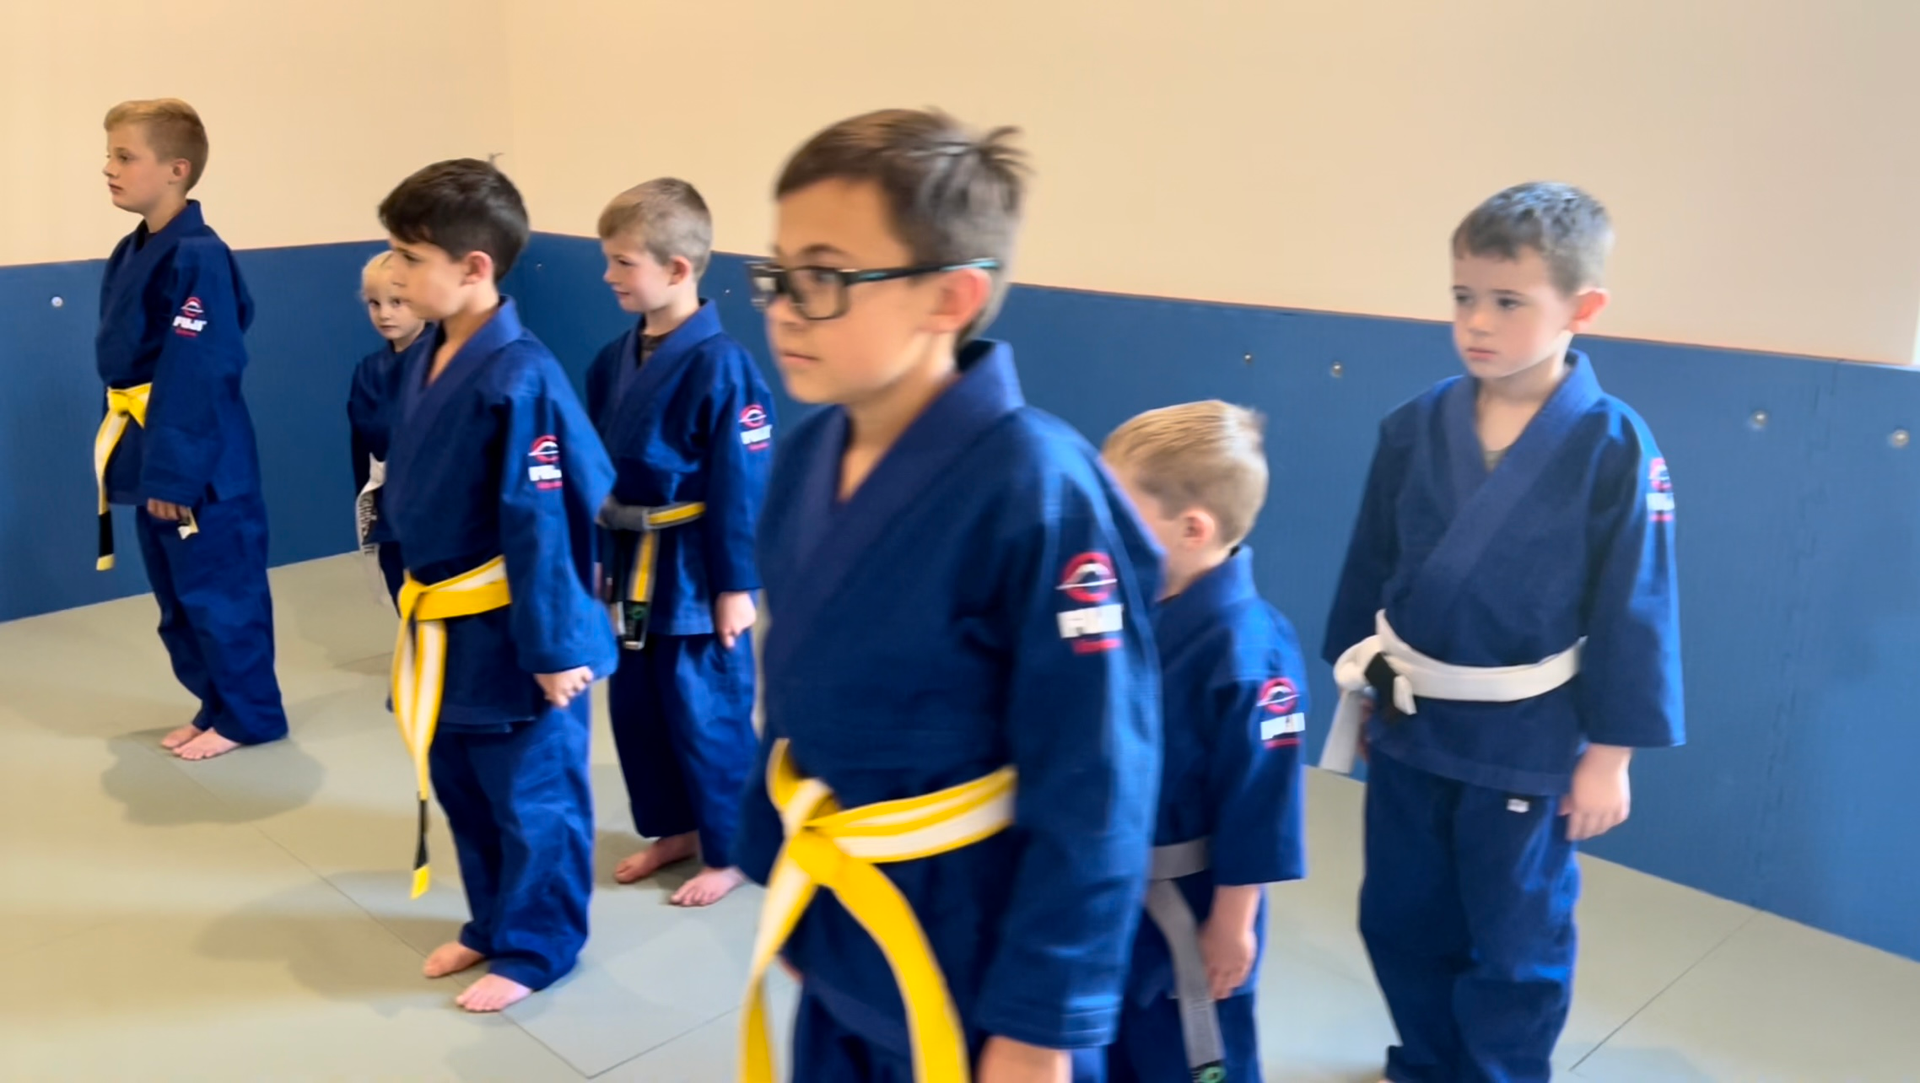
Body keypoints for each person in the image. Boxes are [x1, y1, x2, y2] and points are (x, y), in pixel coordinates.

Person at [731, 108, 1164, 1083]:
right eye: (777, 273)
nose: (786, 308)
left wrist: (1044, 1026)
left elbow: (1099, 774)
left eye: (826, 276)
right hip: (844, 914)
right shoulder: (806, 458)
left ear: (952, 297)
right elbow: (792, 688)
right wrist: (772, 850)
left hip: (979, 952)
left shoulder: (1042, 489)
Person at [1321, 182, 1684, 1083]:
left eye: (1508, 301)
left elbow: (1637, 604)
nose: (1476, 321)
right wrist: (1359, 688)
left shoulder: (1614, 445)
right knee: (1399, 915)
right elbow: (1372, 565)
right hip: (1413, 723)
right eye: (1462, 296)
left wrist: (1612, 755)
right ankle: (1429, 1060)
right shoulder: (1415, 424)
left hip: (1526, 740)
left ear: (1583, 307)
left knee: (1515, 936)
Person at [377, 158, 617, 1013]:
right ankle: (489, 921)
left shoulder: (522, 375)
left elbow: (548, 524)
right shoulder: (428, 354)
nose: (396, 273)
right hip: (446, 626)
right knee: (464, 785)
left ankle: (540, 944)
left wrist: (555, 649)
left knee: (533, 797)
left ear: (474, 267)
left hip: (520, 633)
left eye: (410, 256)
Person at [1098, 401, 1308, 1082]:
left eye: (1116, 514)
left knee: (1188, 1054)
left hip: (1190, 907)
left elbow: (1262, 803)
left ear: (1192, 529)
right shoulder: (1127, 609)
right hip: (1107, 889)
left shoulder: (1249, 652)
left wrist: (1232, 921)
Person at [583, 177, 774, 908]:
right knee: (639, 708)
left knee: (708, 711)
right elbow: (595, 467)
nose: (608, 275)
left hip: (695, 570)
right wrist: (599, 561)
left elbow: (742, 484)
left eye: (622, 261)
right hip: (631, 562)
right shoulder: (613, 357)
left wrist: (737, 585)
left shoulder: (725, 366)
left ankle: (730, 846)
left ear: (677, 269)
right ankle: (673, 826)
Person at [95, 97, 289, 762]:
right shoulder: (135, 248)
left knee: (219, 590)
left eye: (126, 156)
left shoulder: (200, 254)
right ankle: (217, 705)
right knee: (178, 596)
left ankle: (253, 715)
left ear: (177, 169)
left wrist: (176, 471)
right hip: (155, 442)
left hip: (202, 457)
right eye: (111, 155)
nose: (109, 168)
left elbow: (203, 365)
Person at [348, 251, 429, 604]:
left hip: (435, 512)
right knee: (405, 600)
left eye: (398, 302)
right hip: (390, 511)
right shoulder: (368, 371)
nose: (384, 314)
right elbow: (361, 454)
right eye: (374, 303)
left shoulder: (445, 363)